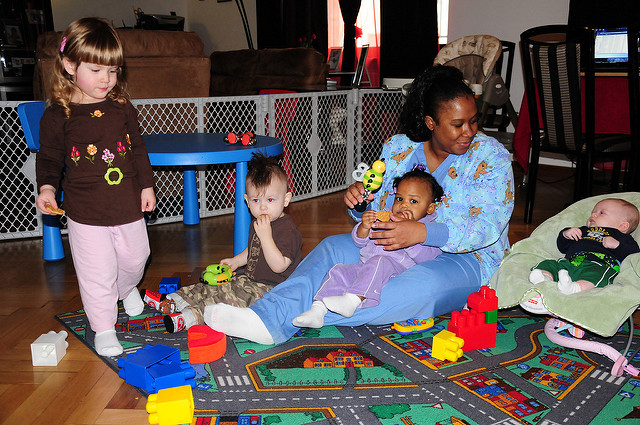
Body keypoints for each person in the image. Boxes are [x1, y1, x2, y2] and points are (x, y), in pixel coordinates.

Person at [203, 65, 514, 345]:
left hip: (463, 260)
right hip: (386, 246)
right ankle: (267, 316)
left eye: (474, 121)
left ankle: (280, 316)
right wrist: (359, 203)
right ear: (431, 122)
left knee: (411, 290)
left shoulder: (491, 157)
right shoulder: (399, 148)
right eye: (458, 124)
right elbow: (376, 207)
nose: (469, 132)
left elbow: (488, 224)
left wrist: (421, 233)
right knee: (330, 250)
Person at [35, 18, 156, 356]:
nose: (106, 80)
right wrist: (46, 188)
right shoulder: (58, 114)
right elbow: (49, 158)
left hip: (126, 204)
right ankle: (103, 327)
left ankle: (126, 287)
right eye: (97, 70)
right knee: (96, 272)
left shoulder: (121, 107)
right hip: (84, 211)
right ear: (69, 65)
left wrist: (146, 186)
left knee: (137, 257)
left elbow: (138, 148)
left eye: (113, 71)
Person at [143, 153, 303, 333]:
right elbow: (253, 250)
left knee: (225, 301)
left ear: (286, 199)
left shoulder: (288, 230)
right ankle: (173, 300)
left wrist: (266, 237)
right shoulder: (259, 223)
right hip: (248, 279)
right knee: (212, 287)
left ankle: (190, 317)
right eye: (256, 200)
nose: (263, 207)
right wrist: (236, 261)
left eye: (270, 200)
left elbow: (279, 266)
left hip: (269, 291)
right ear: (246, 201)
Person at [293, 168, 444, 329]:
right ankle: (317, 310)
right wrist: (364, 227)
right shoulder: (384, 217)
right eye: (399, 199)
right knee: (339, 271)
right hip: (364, 266)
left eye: (413, 201)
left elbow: (429, 257)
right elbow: (359, 242)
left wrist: (410, 239)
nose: (403, 206)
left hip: (394, 272)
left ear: (430, 208)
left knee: (380, 261)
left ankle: (352, 300)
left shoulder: (427, 229)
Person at [522, 198, 639, 312]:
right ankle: (545, 279)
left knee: (600, 276)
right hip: (571, 262)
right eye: (593, 212)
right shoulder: (583, 230)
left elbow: (633, 256)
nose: (593, 215)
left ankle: (575, 288)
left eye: (601, 213)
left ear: (623, 226)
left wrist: (617, 245)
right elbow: (563, 247)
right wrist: (566, 234)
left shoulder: (622, 238)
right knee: (550, 263)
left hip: (599, 265)